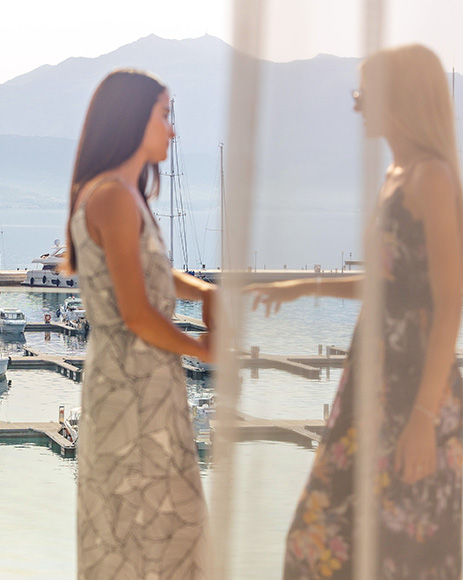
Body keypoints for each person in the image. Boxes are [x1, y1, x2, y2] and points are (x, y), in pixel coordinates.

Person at [249, 44, 463, 579]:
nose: (355, 104)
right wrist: (302, 287)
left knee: (400, 548)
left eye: (363, 93)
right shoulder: (397, 174)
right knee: (320, 542)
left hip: (412, 392)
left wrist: (424, 418)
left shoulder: (433, 178)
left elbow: (449, 302)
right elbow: (390, 285)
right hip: (369, 384)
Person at [65, 69, 214, 580]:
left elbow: (149, 273)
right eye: (164, 115)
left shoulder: (126, 195)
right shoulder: (111, 196)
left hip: (146, 387)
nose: (172, 129)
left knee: (156, 537)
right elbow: (135, 313)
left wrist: (203, 292)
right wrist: (205, 351)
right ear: (132, 119)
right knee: (138, 539)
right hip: (130, 391)